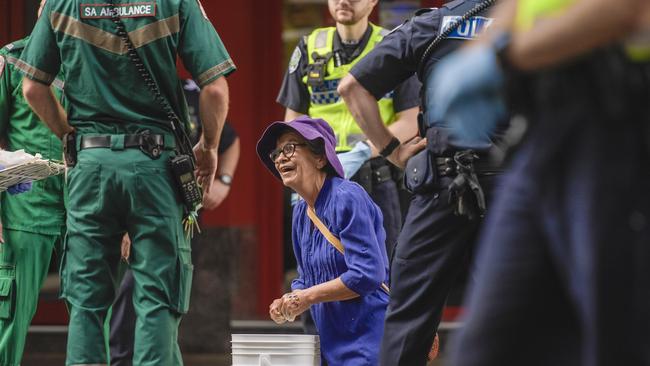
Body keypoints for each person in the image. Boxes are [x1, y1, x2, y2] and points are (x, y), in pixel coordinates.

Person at [425, 0, 650, 364]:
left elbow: (628, 7)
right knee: (488, 346)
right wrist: (478, 52)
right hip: (540, 130)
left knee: (616, 340)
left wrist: (502, 58)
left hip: (618, 128)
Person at [19, 0, 234, 364]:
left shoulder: (61, 3)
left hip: (90, 167)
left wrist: (69, 138)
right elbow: (214, 88)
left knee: (86, 301)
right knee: (157, 296)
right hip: (154, 169)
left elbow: (32, 87)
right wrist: (209, 147)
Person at [337, 1, 503, 364]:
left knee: (408, 317)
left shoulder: (434, 23)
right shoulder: (532, 18)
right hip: (514, 188)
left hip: (443, 186)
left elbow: (352, 88)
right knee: (518, 314)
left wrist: (391, 150)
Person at [277, 0, 421, 256]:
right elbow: (293, 120)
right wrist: (301, 169)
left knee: (379, 271)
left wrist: (364, 151)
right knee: (318, 268)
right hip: (321, 175)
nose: (343, 1)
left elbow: (410, 122)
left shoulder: (392, 47)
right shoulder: (309, 47)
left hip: (375, 174)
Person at [256, 116, 389, 366]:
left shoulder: (347, 197)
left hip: (367, 342)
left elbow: (367, 273)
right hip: (328, 344)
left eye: (289, 148)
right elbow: (305, 279)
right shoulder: (301, 212)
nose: (280, 158)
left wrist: (306, 297)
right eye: (276, 154)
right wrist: (290, 302)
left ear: (320, 157)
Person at [109, 118, 240, 365]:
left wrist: (223, 180)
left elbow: (230, 138)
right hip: (141, 210)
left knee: (168, 298)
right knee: (131, 291)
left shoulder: (190, 94)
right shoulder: (137, 97)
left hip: (182, 217)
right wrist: (127, 224)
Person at [0, 2, 62, 364]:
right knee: (8, 315)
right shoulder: (11, 60)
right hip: (24, 204)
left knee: (98, 315)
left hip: (89, 203)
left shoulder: (96, 63)